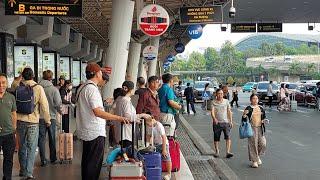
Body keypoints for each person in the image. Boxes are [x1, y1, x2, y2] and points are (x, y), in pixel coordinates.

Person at [75, 63, 129, 180]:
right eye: (100, 72)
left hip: (87, 131)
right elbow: (98, 112)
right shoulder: (92, 89)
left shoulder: (82, 87)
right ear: (98, 74)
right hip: (94, 132)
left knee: (87, 162)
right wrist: (118, 118)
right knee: (93, 165)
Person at [16, 68, 51, 179]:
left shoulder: (18, 86)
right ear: (33, 76)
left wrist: (19, 78)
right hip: (33, 122)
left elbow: (12, 85)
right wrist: (47, 120)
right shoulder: (38, 88)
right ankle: (29, 172)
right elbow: (45, 106)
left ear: (23, 76)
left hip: (20, 120)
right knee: (31, 148)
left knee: (22, 147)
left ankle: (22, 170)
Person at [114, 81, 151, 148]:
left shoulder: (119, 99)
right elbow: (128, 117)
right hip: (125, 133)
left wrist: (136, 119)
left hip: (120, 132)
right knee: (126, 154)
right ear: (131, 90)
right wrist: (142, 115)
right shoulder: (125, 101)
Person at [38, 70, 62, 166]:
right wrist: (60, 111)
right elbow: (57, 104)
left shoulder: (38, 88)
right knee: (52, 138)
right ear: (51, 78)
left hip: (40, 117)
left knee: (41, 139)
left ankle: (43, 159)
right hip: (51, 117)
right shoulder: (54, 89)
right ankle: (53, 158)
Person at [242, 94, 267, 168]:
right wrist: (244, 115)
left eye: (256, 98)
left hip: (260, 128)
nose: (255, 100)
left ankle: (257, 156)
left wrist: (264, 121)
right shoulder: (248, 108)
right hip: (251, 128)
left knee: (263, 144)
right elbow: (244, 119)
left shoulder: (261, 108)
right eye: (253, 98)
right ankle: (254, 161)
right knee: (253, 144)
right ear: (251, 100)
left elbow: (264, 117)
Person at [0, 73, 17, 180]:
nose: (1, 85)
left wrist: (14, 128)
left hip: (9, 134)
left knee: (8, 159)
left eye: (3, 83)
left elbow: (13, 114)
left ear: (7, 84)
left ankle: (7, 177)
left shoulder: (11, 97)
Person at [211, 88, 234, 158]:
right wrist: (214, 119)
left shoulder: (226, 101)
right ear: (216, 94)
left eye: (221, 94)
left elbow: (229, 111)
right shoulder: (213, 102)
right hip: (217, 123)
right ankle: (217, 151)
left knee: (228, 137)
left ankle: (228, 152)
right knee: (216, 138)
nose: (220, 95)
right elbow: (212, 112)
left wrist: (231, 121)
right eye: (219, 94)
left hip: (226, 122)